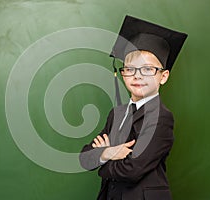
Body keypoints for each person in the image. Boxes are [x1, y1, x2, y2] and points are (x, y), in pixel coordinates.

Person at [79, 15, 188, 200]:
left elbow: (132, 169)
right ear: (123, 74)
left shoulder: (161, 117)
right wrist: (109, 152)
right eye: (130, 69)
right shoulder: (117, 114)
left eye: (147, 69)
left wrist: (102, 160)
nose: (137, 76)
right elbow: (85, 157)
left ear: (163, 76)